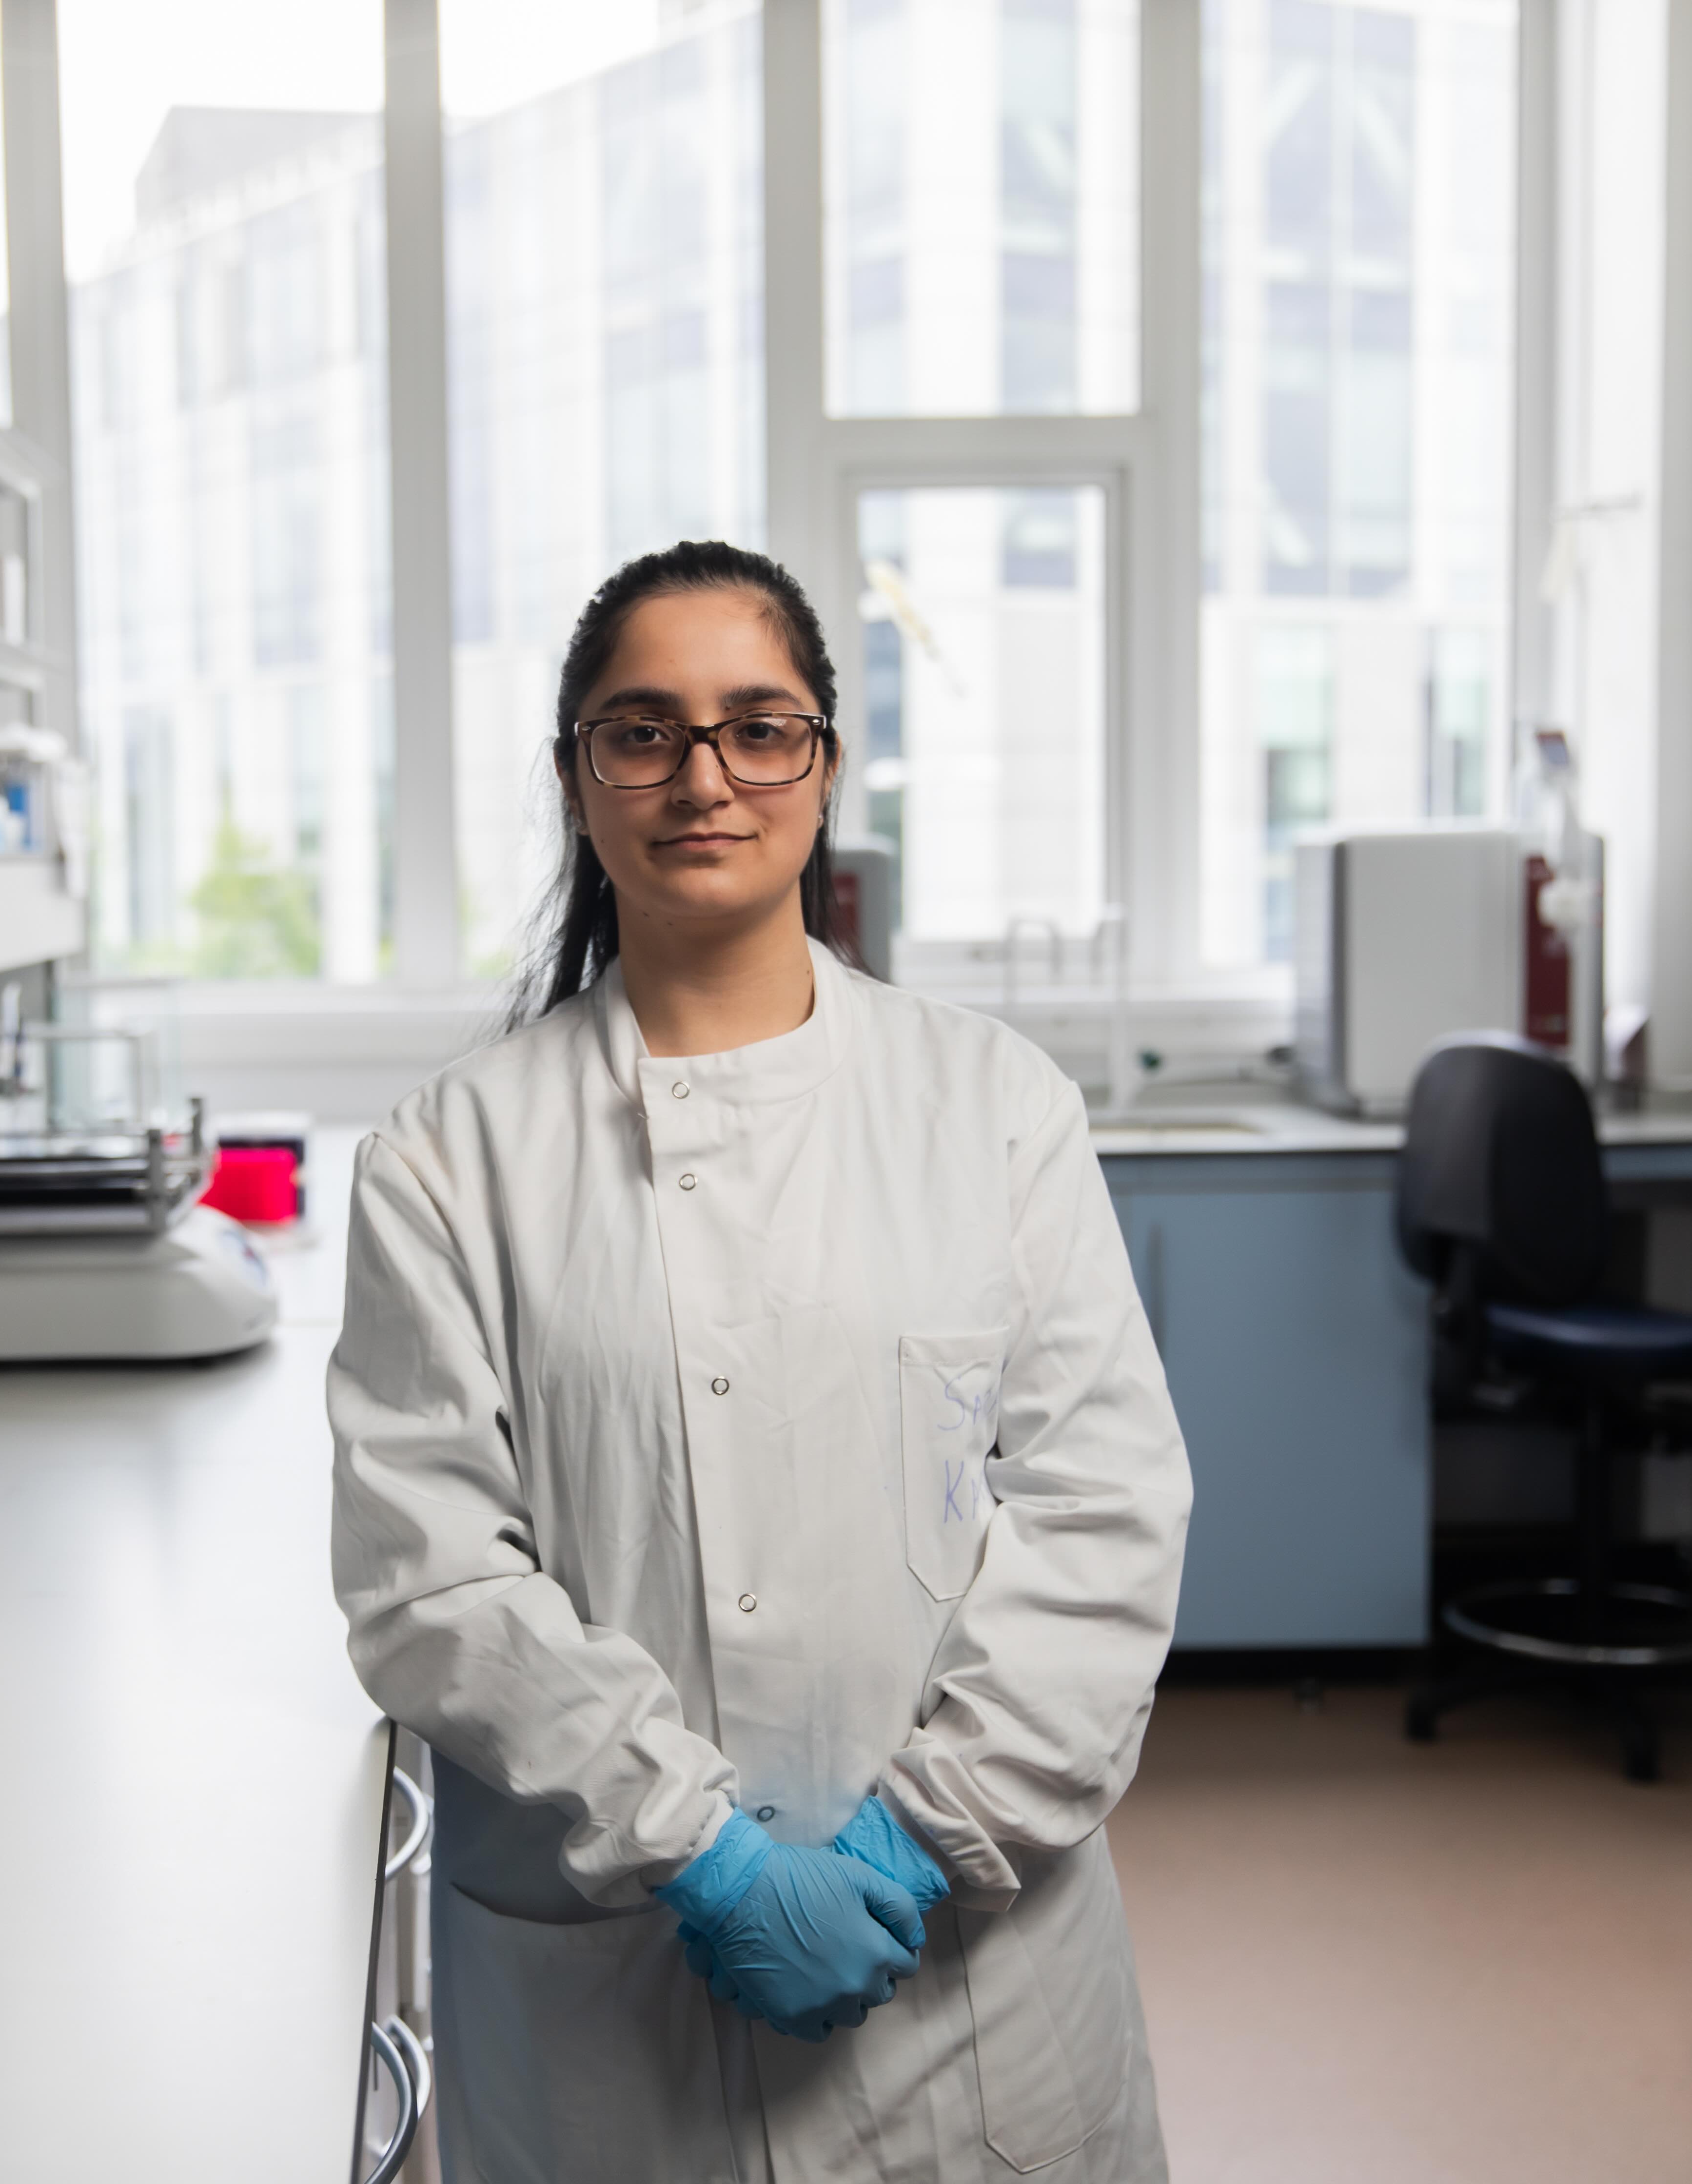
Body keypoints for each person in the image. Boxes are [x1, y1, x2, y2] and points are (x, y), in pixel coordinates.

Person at [330, 540, 1192, 2184]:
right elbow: (427, 1580)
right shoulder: (449, 1158)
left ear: (826, 764)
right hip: (619, 2004)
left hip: (970, 1985)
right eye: (642, 731)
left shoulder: (994, 1107)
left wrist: (920, 1843)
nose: (704, 775)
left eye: (759, 726)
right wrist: (700, 1850)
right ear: (577, 778)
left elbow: (1104, 1514)